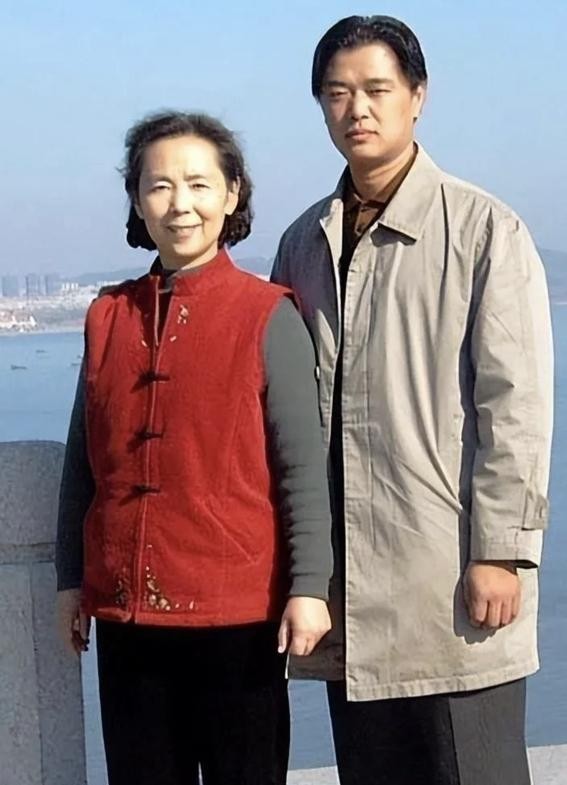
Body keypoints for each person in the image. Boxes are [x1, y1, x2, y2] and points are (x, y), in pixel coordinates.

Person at [271, 15, 553, 785]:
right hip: (350, 599)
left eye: (376, 88)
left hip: (451, 584)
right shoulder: (303, 242)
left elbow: (515, 406)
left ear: (417, 95)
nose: (356, 108)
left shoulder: (483, 229)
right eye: (337, 93)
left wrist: (500, 550)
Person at [56, 110, 333, 785]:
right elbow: (82, 463)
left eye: (199, 184)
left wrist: (309, 588)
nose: (180, 203)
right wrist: (71, 579)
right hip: (127, 611)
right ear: (136, 200)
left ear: (232, 194)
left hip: (238, 614)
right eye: (159, 186)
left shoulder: (267, 314)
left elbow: (301, 467)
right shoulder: (107, 316)